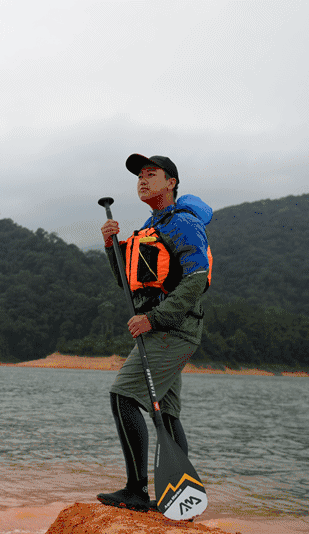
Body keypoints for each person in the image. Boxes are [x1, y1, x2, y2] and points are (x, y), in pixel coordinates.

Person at [97, 153, 213, 512]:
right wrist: (111, 247)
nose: (143, 180)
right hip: (162, 330)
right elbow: (127, 283)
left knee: (123, 396)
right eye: (139, 176)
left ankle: (136, 491)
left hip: (171, 330)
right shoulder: (151, 226)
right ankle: (177, 494)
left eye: (151, 174)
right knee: (167, 414)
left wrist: (154, 318)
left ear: (171, 183)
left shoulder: (183, 223)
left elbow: (196, 279)